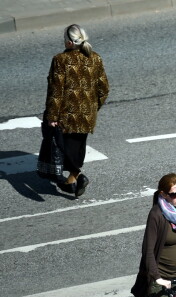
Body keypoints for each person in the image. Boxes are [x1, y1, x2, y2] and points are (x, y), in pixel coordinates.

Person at [44, 24, 109, 197]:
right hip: (87, 116)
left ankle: (78, 176)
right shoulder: (95, 58)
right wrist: (92, 108)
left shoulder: (60, 60)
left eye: (65, 38)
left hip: (66, 115)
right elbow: (103, 89)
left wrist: (52, 116)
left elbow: (56, 91)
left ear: (70, 42)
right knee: (77, 148)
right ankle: (71, 180)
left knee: (63, 148)